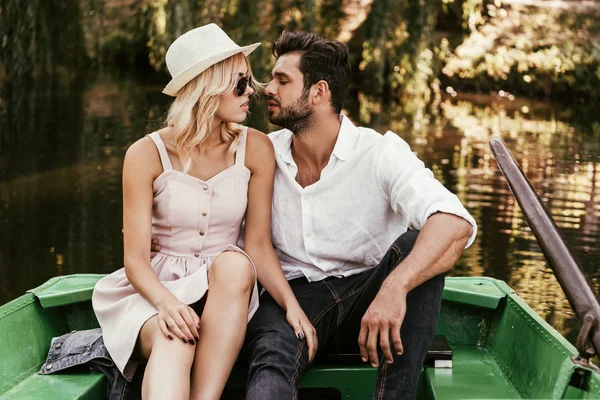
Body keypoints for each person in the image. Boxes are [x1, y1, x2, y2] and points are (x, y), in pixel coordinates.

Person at [151, 31, 477, 400]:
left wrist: (394, 287)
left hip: (366, 292)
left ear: (319, 93)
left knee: (420, 247)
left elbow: (455, 222)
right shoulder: (260, 151)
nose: (265, 88)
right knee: (272, 358)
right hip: (289, 295)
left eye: (282, 80)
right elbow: (205, 197)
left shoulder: (380, 153)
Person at [92, 24, 316, 400]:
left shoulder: (256, 148)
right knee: (174, 337)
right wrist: (168, 304)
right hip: (154, 292)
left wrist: (292, 306)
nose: (254, 92)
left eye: (251, 81)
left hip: (226, 294)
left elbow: (259, 245)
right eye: (241, 83)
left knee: (237, 262)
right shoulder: (145, 154)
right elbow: (134, 259)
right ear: (207, 88)